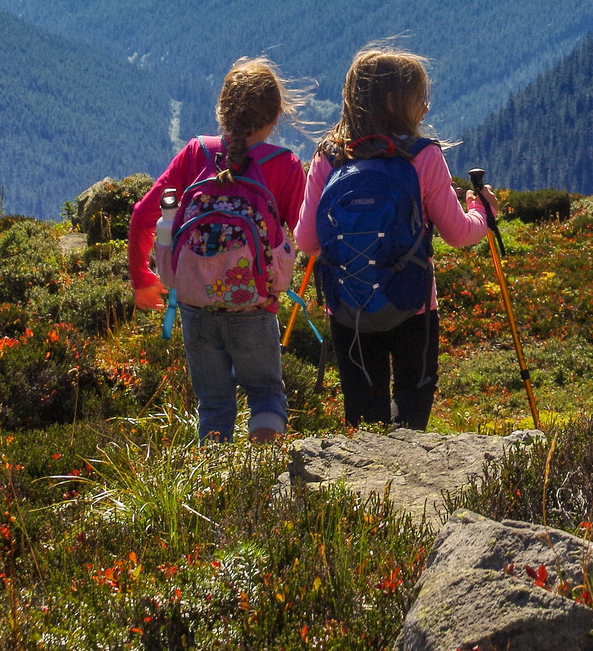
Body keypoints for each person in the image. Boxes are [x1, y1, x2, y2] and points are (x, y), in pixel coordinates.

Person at [297, 46, 493, 429]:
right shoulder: (423, 156)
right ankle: (407, 484)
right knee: (412, 405)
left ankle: (363, 486)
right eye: (420, 97)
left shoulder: (329, 156)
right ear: (393, 101)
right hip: (413, 305)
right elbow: (458, 233)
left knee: (362, 412)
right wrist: (483, 212)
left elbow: (307, 242)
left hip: (349, 308)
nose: (426, 108)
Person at [128, 56, 309, 444]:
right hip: (255, 307)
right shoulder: (285, 165)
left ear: (222, 110)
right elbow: (307, 236)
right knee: (265, 394)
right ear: (277, 114)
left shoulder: (196, 153)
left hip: (195, 307)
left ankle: (216, 487)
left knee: (213, 403)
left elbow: (143, 214)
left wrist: (142, 278)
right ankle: (260, 478)